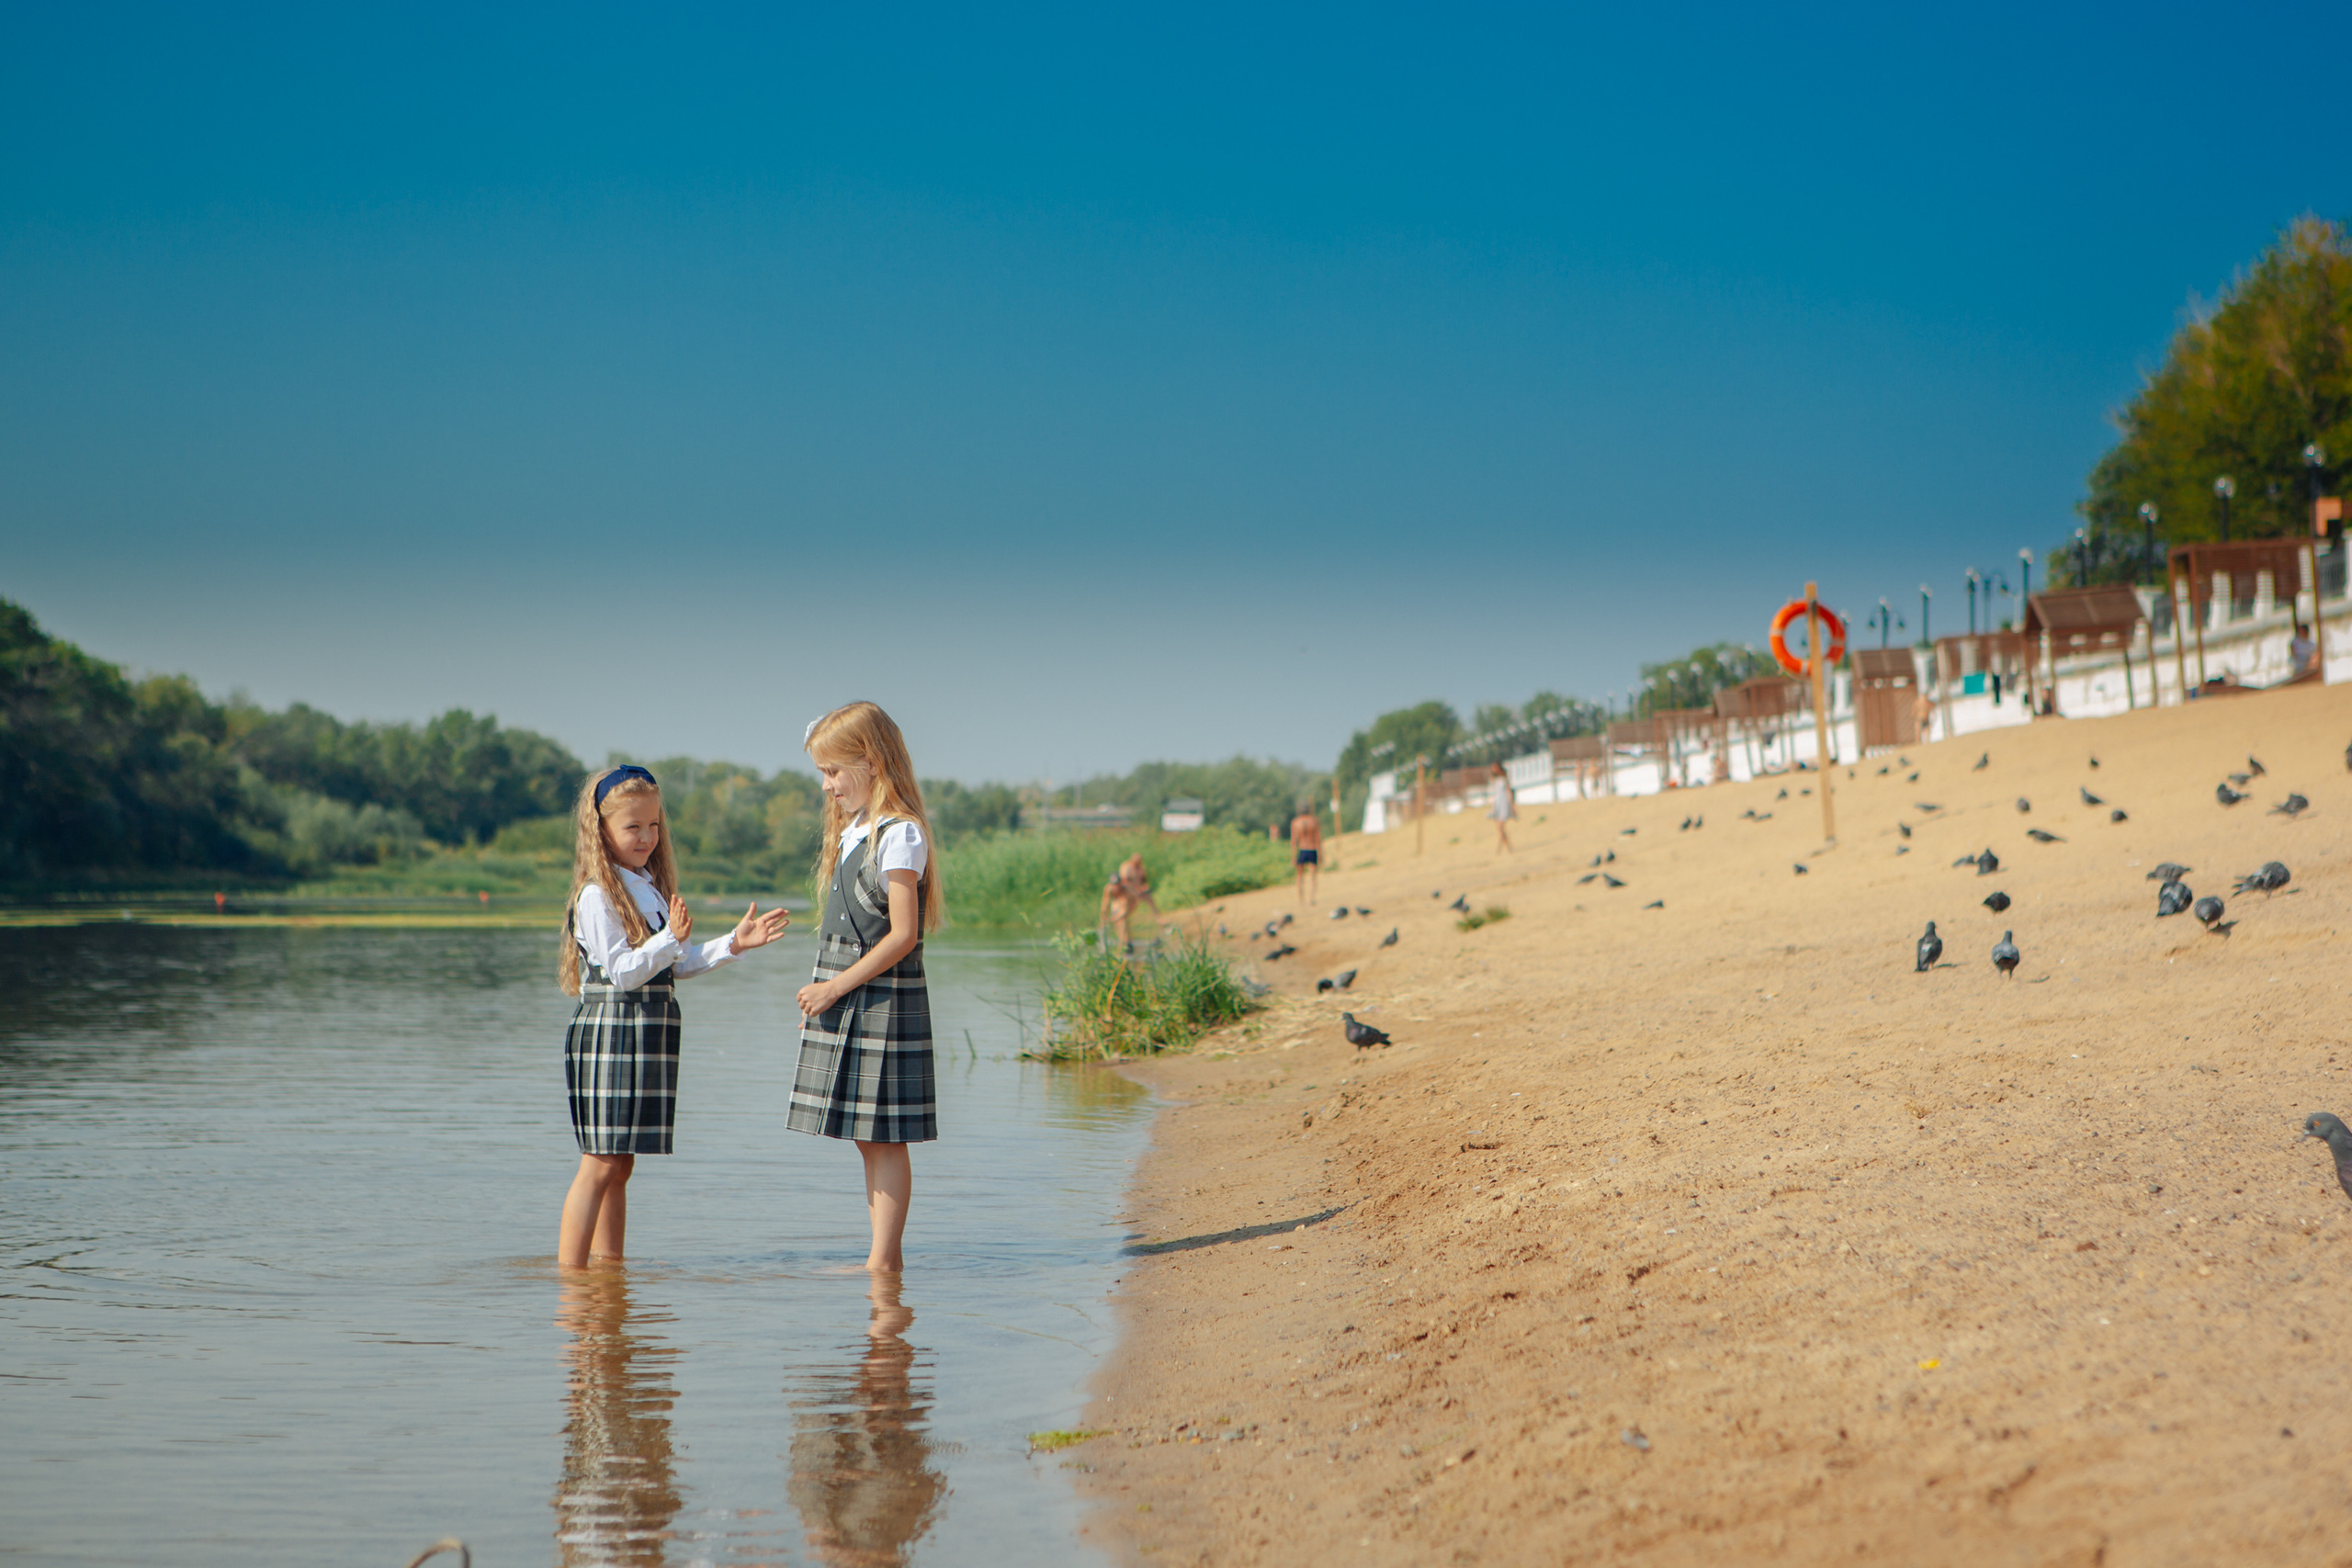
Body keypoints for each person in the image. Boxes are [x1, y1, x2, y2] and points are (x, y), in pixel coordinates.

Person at [558, 765, 791, 1269]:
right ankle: (572, 1280)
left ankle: (609, 1271)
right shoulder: (597, 895)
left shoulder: (646, 888)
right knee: (599, 1163)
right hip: (611, 1033)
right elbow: (623, 972)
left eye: (654, 825)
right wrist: (668, 939)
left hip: (646, 1032)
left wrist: (734, 943)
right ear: (601, 830)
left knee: (620, 1164)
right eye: (633, 827)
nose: (647, 837)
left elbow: (676, 964)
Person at [794, 703, 945, 1273]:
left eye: (834, 771)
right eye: (823, 773)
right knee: (868, 1136)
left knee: (886, 1137)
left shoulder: (899, 834)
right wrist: (828, 990)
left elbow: (903, 935)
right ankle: (882, 1262)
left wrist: (833, 988)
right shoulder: (854, 831)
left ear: (873, 762)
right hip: (851, 993)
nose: (827, 785)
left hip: (881, 997)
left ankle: (883, 1262)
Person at [1097, 854, 1159, 950]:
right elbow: (1105, 905)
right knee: (1120, 921)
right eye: (1114, 885)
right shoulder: (1109, 889)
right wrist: (1103, 919)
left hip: (1129, 902)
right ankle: (1124, 943)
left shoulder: (1126, 889)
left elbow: (1132, 900)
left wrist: (1143, 891)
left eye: (1118, 884)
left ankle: (1125, 943)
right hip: (1117, 903)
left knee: (1122, 920)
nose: (1116, 887)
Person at [1290, 804, 1322, 901]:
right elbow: (1318, 839)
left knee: (1300, 877)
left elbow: (1294, 841)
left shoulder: (1295, 822)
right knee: (1313, 876)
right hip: (1312, 849)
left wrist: (1293, 856)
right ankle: (1312, 897)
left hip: (1302, 850)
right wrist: (1320, 855)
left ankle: (1301, 898)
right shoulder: (1313, 821)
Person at [1487, 761, 1515, 854]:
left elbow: (1509, 791)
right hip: (1497, 803)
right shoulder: (1494, 779)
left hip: (1503, 802)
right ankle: (1504, 847)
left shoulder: (1504, 778)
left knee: (1500, 827)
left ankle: (1503, 848)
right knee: (1499, 828)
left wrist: (1512, 805)